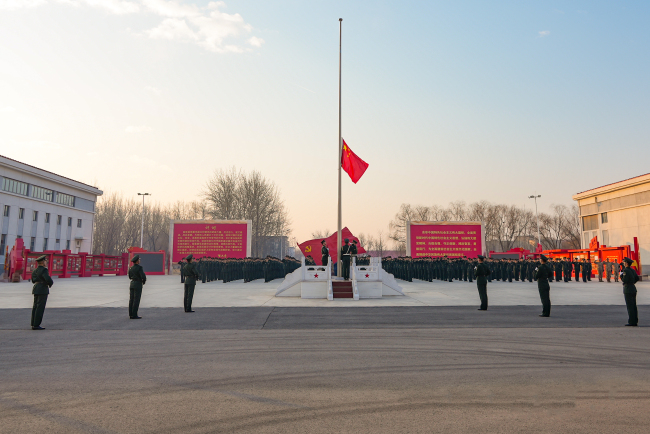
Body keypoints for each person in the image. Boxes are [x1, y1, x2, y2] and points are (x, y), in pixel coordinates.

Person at [30, 255, 53, 330]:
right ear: (43, 262)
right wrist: (50, 284)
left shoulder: (35, 270)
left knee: (35, 307)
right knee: (40, 307)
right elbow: (48, 279)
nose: (46, 262)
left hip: (36, 288)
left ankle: (33, 323)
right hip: (42, 289)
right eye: (45, 261)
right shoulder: (44, 270)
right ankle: (36, 325)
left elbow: (33, 280)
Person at [621, 257, 639, 326]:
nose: (623, 263)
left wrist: (621, 276)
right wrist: (632, 282)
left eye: (624, 262)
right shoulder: (633, 270)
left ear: (627, 263)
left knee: (630, 306)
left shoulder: (626, 270)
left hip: (628, 289)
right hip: (633, 288)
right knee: (634, 305)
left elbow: (624, 280)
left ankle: (631, 321)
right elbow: (637, 278)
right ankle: (635, 320)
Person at [128, 255, 146, 319]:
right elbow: (143, 276)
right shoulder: (139, 268)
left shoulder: (130, 268)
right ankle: (135, 314)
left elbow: (129, 276)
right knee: (136, 300)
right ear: (137, 261)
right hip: (138, 284)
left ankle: (131, 314)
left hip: (132, 283)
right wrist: (143, 281)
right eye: (139, 260)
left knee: (131, 299)